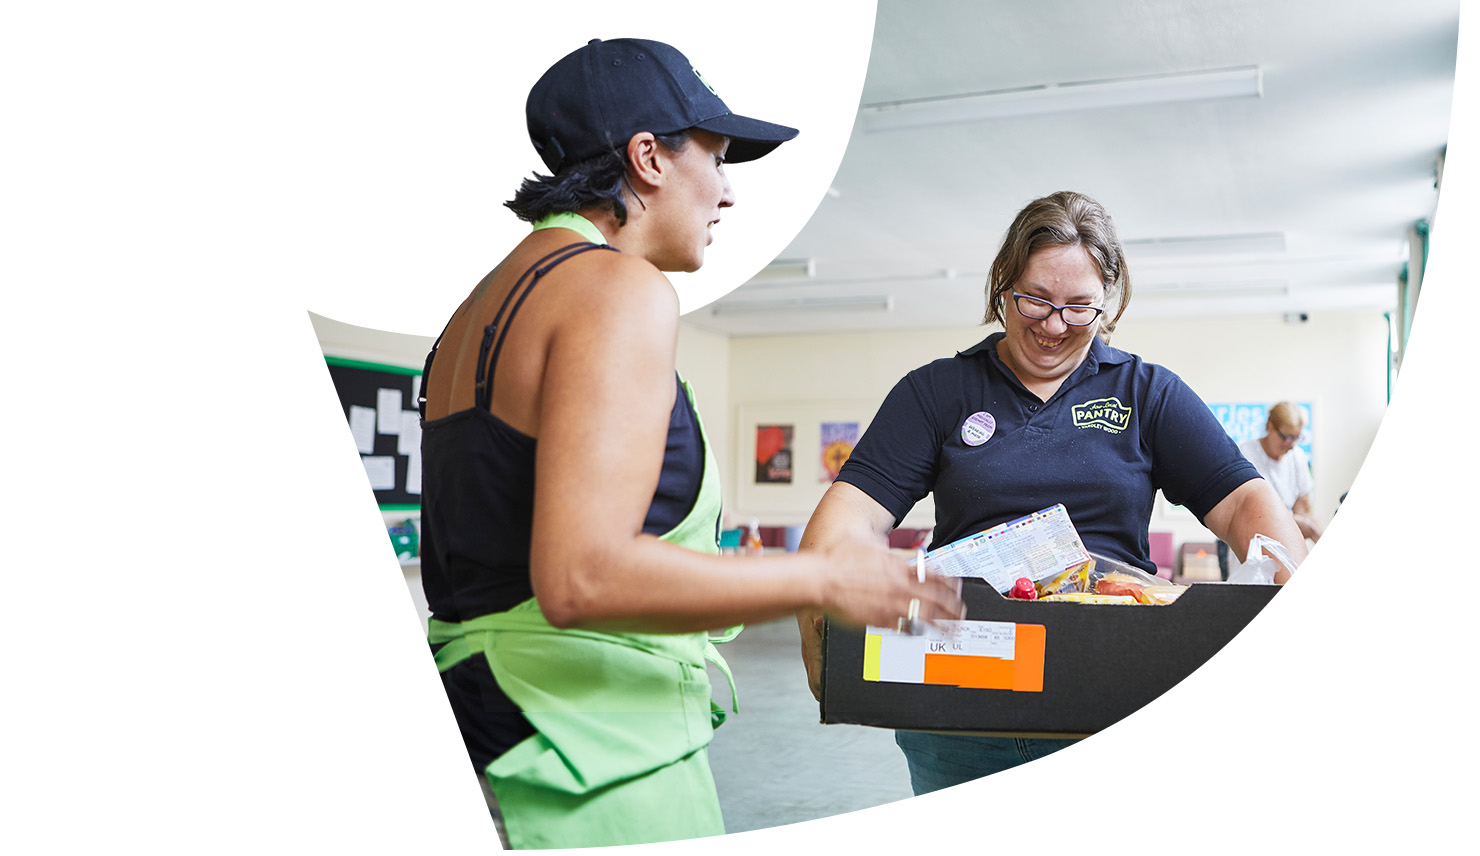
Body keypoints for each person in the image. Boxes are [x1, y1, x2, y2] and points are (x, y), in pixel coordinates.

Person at [416, 37, 963, 850]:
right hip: (581, 750)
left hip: (488, 719)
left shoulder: (480, 308)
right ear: (648, 158)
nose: (727, 193)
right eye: (715, 157)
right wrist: (825, 575)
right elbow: (582, 575)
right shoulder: (616, 287)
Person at [795, 190, 1309, 796]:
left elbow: (1246, 502)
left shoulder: (1147, 394)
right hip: (964, 700)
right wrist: (824, 618)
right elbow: (849, 513)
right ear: (1002, 283)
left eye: (1079, 307)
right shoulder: (936, 393)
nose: (1054, 325)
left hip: (1111, 698)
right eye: (1035, 299)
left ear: (1108, 307)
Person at [1219, 402, 1323, 578]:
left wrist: (1313, 531)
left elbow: (1303, 507)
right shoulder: (1246, 453)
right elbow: (1246, 512)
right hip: (1250, 541)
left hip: (1284, 539)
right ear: (1270, 427)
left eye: (1297, 438)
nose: (1291, 444)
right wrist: (1294, 522)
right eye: (1286, 437)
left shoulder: (1297, 457)